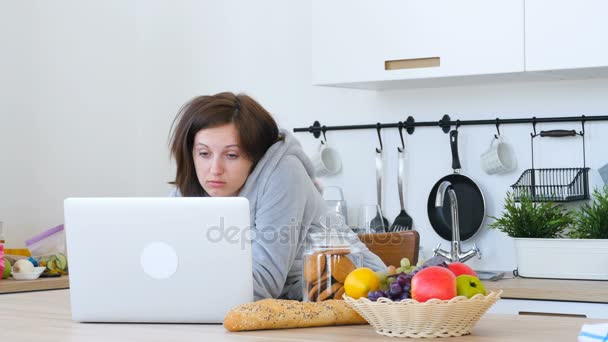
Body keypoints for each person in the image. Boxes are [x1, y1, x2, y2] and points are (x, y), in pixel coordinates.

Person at [168, 92, 385, 300]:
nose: (215, 169)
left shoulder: (284, 173)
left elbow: (264, 282)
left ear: (255, 155)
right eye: (204, 153)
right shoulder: (191, 187)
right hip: (281, 309)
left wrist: (182, 289)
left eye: (231, 155)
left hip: (354, 298)